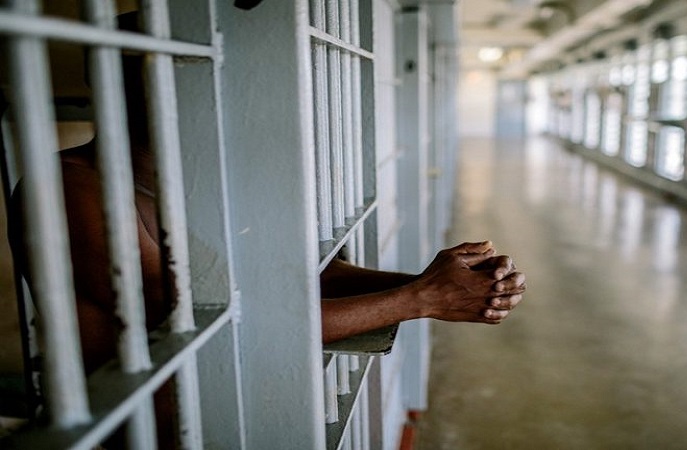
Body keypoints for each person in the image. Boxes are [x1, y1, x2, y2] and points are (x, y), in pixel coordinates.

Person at [7, 10, 525, 448]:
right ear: (116, 84)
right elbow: (196, 317)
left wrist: (440, 283)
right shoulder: (69, 185)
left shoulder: (200, 183)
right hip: (142, 433)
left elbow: (295, 276)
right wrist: (421, 298)